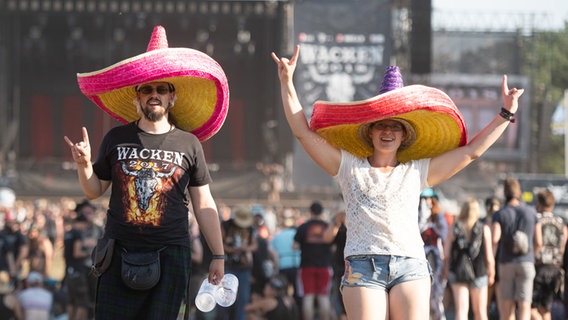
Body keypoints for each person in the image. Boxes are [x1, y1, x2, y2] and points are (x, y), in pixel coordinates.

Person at [271, 45, 524, 320]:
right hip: (362, 266)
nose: (388, 130)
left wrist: (505, 114)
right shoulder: (349, 166)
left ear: (405, 135)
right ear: (370, 132)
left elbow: (471, 152)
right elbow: (303, 134)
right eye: (381, 124)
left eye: (396, 126)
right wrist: (287, 82)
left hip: (410, 266)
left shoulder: (417, 171)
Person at [63, 25, 227, 319]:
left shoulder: (189, 143)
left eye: (161, 89)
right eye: (147, 89)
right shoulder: (116, 138)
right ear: (136, 97)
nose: (154, 94)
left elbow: (204, 204)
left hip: (171, 253)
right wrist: (83, 164)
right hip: (119, 251)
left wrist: (218, 255)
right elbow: (93, 190)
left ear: (171, 97)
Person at [491, 178, 542, 320]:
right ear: (519, 192)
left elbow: (495, 239)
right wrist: (533, 256)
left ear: (505, 193)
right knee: (524, 307)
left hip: (506, 262)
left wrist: (491, 263)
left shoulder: (500, 214)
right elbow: (539, 241)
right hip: (526, 262)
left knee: (507, 307)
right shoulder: (531, 212)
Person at [443, 198, 495, 320]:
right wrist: (491, 271)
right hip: (479, 271)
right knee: (480, 312)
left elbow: (446, 254)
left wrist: (445, 269)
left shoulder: (454, 228)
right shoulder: (484, 229)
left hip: (458, 271)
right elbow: (489, 255)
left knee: (461, 311)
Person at [531, 189, 566, 320]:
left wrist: (532, 257)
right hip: (555, 268)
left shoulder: (537, 219)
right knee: (546, 309)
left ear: (539, 204)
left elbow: (538, 242)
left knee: (530, 308)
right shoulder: (561, 222)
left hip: (539, 267)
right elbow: (562, 246)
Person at [294, 201, 333, 320]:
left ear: (310, 211)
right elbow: (333, 245)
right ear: (322, 212)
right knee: (324, 297)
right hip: (324, 266)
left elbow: (294, 246)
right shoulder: (327, 227)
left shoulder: (303, 227)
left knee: (308, 297)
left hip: (307, 266)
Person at [63, 201, 101, 320]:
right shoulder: (77, 233)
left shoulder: (97, 229)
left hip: (80, 269)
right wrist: (89, 251)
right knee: (82, 303)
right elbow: (77, 252)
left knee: (75, 301)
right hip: (80, 270)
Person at [221, 206, 259, 320]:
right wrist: (230, 249)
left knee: (243, 297)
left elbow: (254, 245)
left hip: (244, 267)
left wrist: (245, 248)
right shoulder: (226, 225)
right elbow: (219, 242)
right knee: (225, 297)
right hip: (228, 265)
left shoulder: (250, 228)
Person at [418, 188, 448, 320]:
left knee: (436, 296)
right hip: (421, 258)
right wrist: (423, 217)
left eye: (427, 199)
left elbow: (445, 236)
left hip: (436, 259)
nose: (425, 202)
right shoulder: (415, 215)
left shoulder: (438, 217)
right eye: (422, 199)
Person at [322, 210, 347, 320]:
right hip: (342, 269)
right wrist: (337, 222)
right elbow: (327, 239)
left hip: (362, 268)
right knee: (342, 306)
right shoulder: (338, 219)